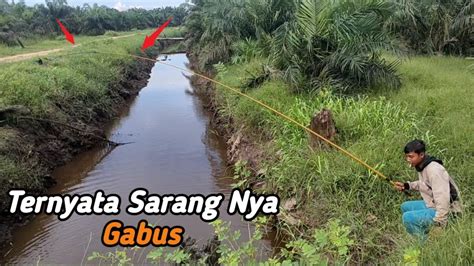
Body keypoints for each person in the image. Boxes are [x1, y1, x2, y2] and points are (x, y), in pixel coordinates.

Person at [394, 140, 462, 236]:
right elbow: (424, 184)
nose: (408, 160)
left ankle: (423, 245)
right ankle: (425, 231)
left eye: (411, 157)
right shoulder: (423, 165)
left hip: (451, 211)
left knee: (407, 218)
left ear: (421, 155)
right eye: (407, 156)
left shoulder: (434, 170)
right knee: (405, 206)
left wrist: (439, 223)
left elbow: (443, 198)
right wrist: (407, 185)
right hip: (434, 203)